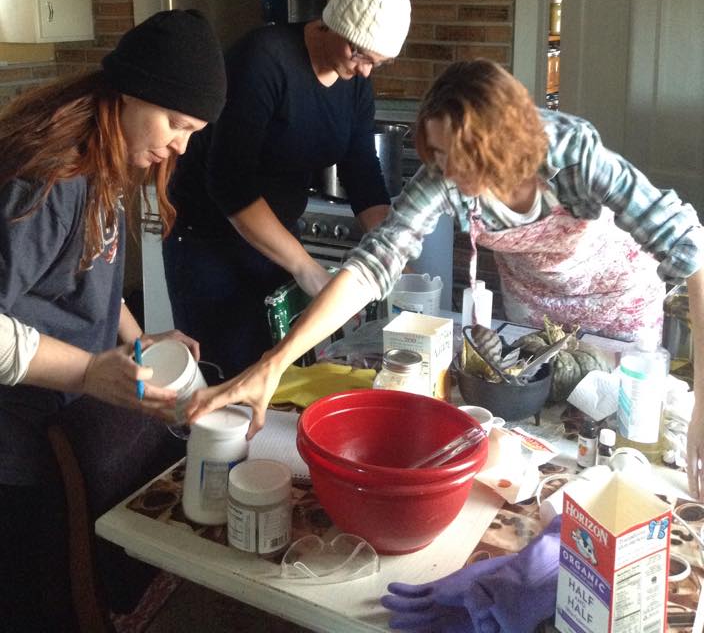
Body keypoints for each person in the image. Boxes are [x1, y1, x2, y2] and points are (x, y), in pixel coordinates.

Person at [184, 58, 704, 499]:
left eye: (458, 160)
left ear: (503, 146)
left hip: (618, 300)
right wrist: (273, 363)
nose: (445, 173)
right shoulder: (444, 170)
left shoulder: (573, 154)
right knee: (550, 440)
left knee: (624, 441)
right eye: (437, 156)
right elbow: (374, 262)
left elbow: (691, 246)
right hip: (533, 309)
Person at [0, 8, 227, 632]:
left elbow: (87, 279)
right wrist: (86, 371)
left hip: (66, 426)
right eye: (176, 124)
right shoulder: (47, 181)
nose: (181, 145)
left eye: (193, 131)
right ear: (132, 91)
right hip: (16, 444)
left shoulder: (105, 159)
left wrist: (139, 337)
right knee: (35, 605)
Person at [163, 0, 412, 377]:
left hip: (277, 237)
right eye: (360, 55)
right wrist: (307, 268)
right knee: (227, 377)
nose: (366, 70)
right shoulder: (264, 59)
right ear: (334, 22)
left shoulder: (354, 82)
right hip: (210, 243)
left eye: (377, 63)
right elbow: (229, 184)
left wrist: (393, 249)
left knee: (285, 374)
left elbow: (362, 172)